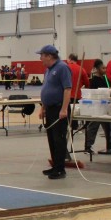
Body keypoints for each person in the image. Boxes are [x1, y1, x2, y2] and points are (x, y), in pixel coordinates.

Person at [37, 44, 71, 180]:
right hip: (50, 108)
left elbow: (67, 89)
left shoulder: (62, 68)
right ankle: (55, 165)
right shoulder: (48, 70)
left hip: (59, 108)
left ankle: (60, 169)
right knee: (51, 139)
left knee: (59, 139)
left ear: (49, 56)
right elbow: (46, 89)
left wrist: (64, 109)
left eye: (42, 55)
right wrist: (43, 108)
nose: (40, 59)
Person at [84, 59, 111, 155]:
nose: (105, 70)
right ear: (97, 69)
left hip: (106, 106)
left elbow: (109, 90)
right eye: (103, 68)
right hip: (96, 107)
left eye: (105, 68)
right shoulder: (94, 80)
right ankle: (88, 146)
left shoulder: (105, 79)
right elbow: (93, 93)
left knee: (109, 126)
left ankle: (110, 144)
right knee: (93, 126)